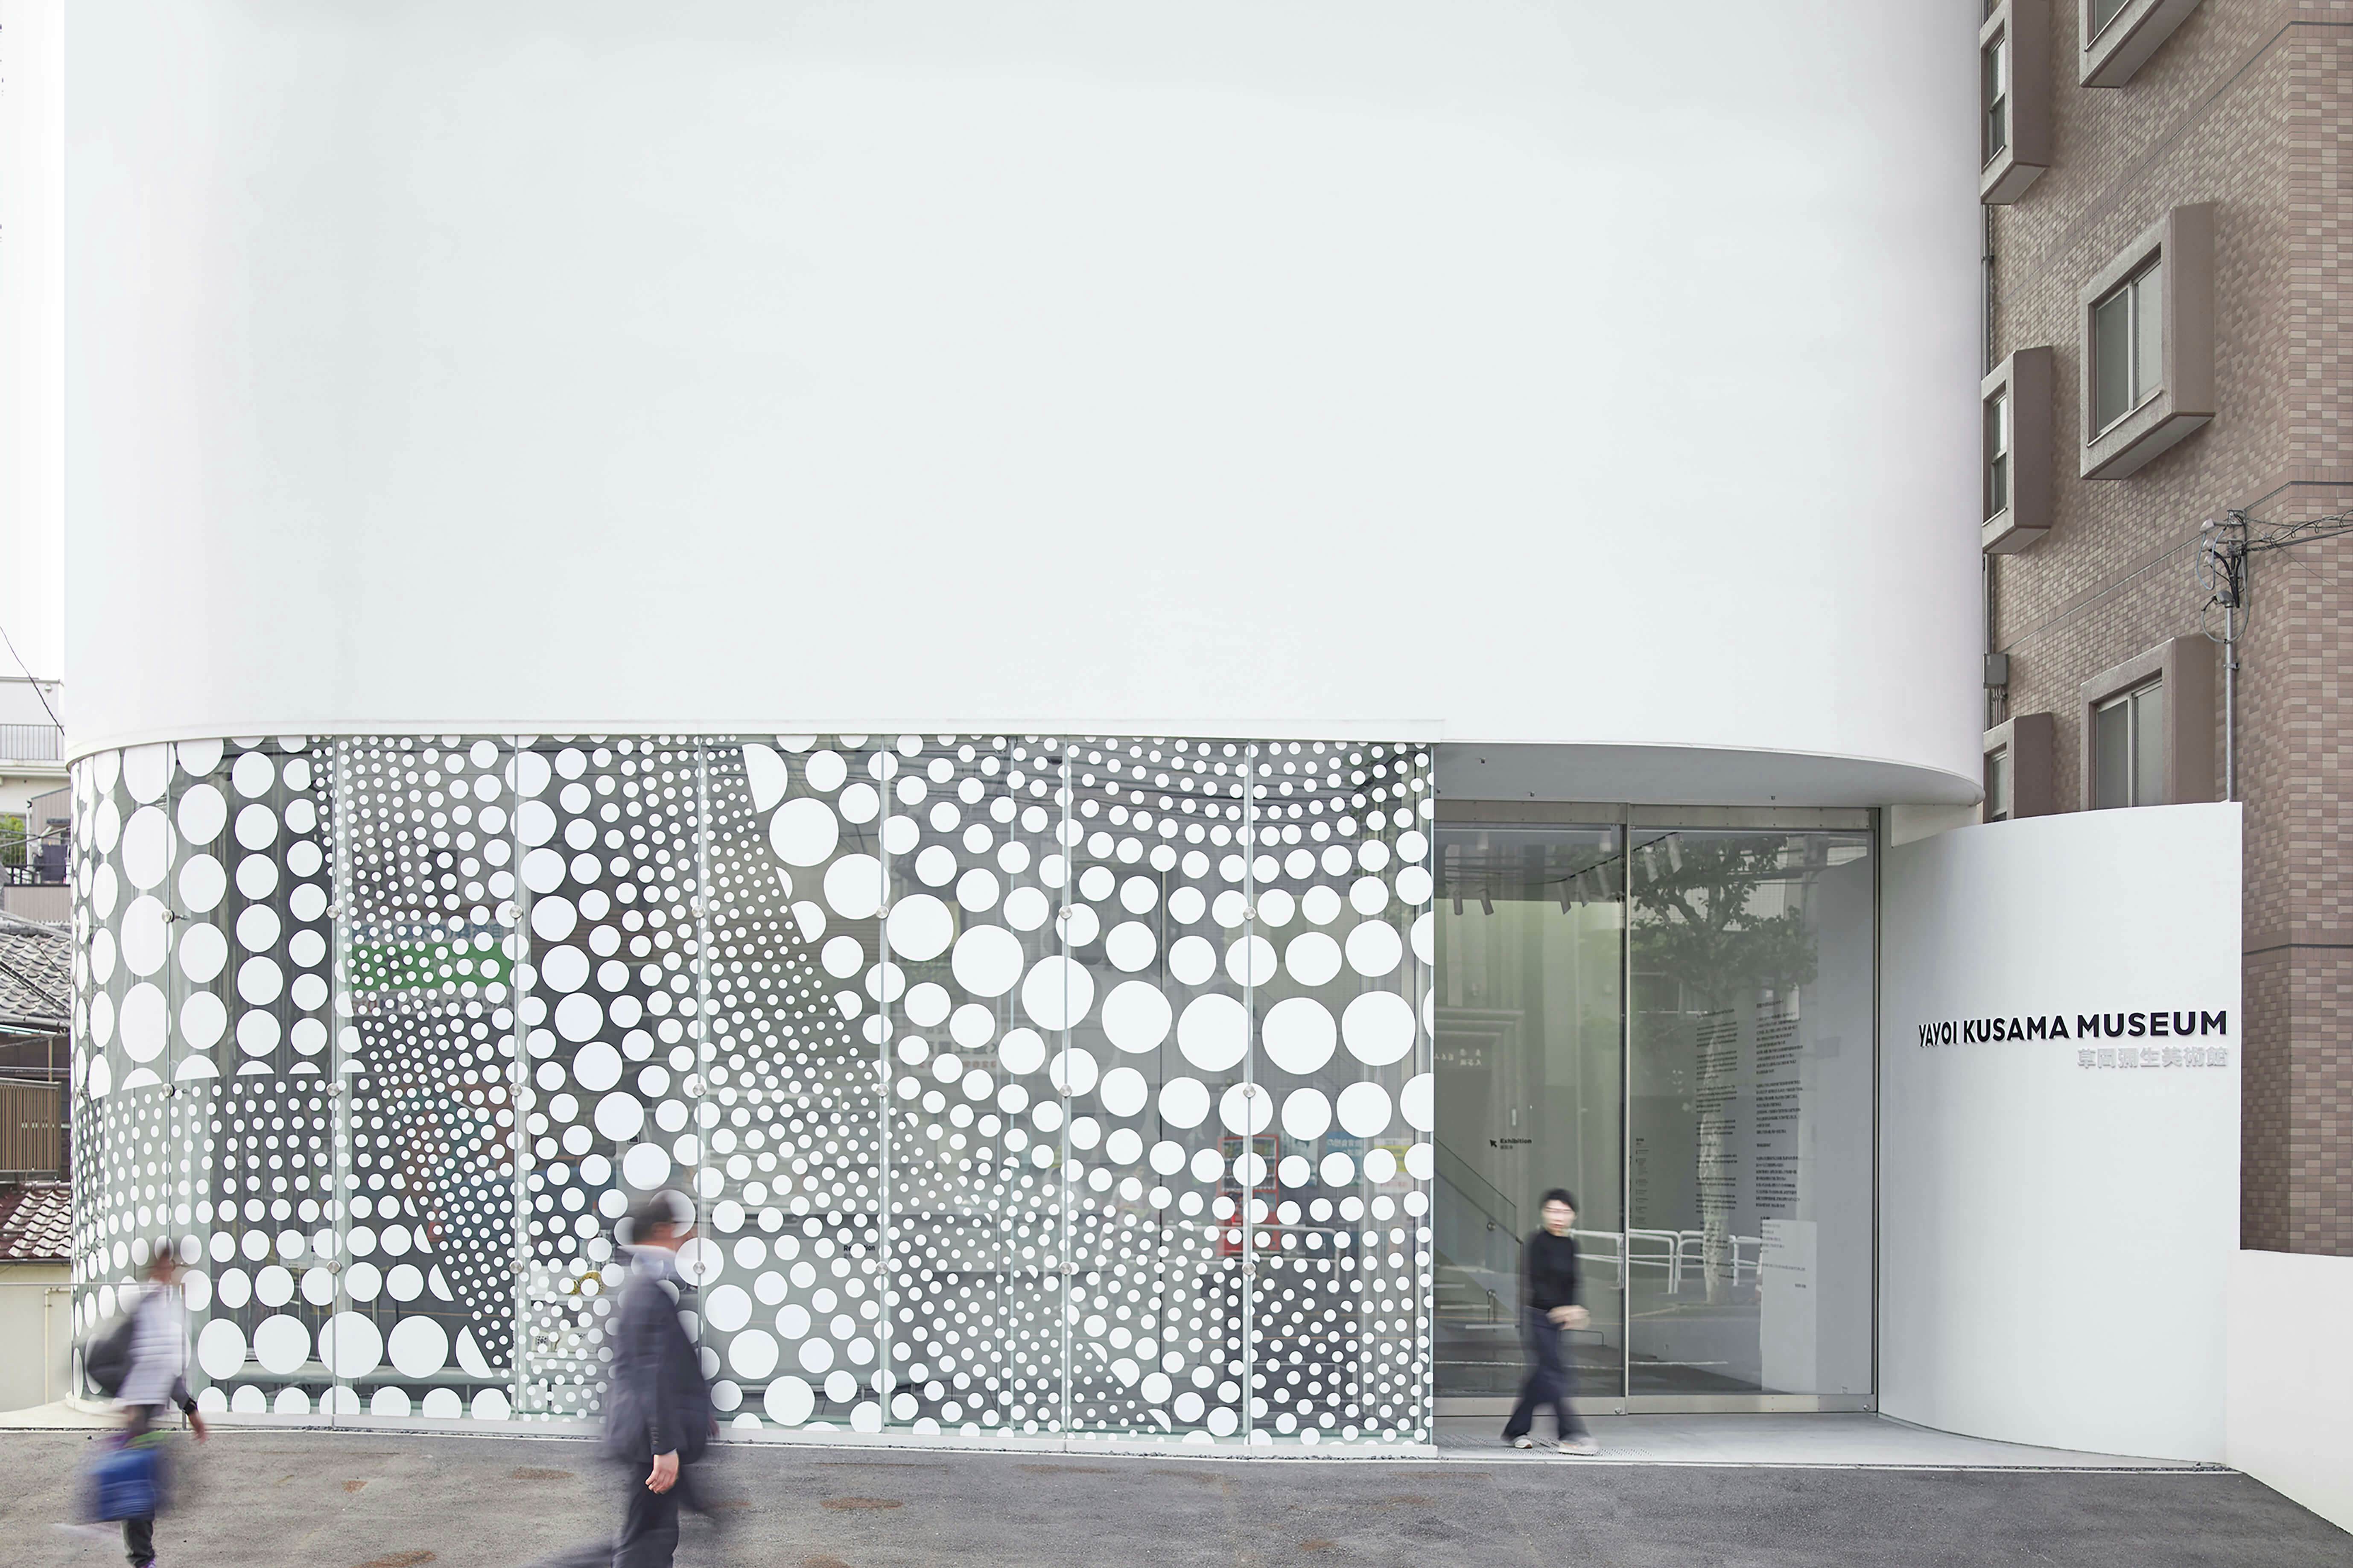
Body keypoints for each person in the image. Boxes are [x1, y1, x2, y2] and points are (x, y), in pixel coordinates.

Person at [527, 1189, 717, 1568]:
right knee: (644, 1542)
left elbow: (661, 1368)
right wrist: (664, 1447)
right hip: (652, 1439)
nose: (690, 1238)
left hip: (652, 1434)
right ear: (665, 1231)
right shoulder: (649, 1289)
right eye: (685, 1230)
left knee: (651, 1536)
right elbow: (650, 1373)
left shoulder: (647, 1284)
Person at [117, 1238, 208, 1566]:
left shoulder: (165, 1304)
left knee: (147, 1483)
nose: (175, 1271)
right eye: (172, 1265)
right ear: (160, 1267)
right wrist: (129, 1407)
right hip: (138, 1410)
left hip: (148, 1408)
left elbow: (164, 1367)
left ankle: (143, 1556)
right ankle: (142, 1559)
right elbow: (139, 1358)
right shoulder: (148, 1306)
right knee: (140, 1487)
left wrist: (189, 1407)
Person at [1502, 1189, 1600, 1456]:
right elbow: (1535, 1282)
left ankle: (1515, 1430)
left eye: (1564, 1212)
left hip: (1559, 1321)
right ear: (1544, 1213)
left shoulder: (1570, 1245)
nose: (1558, 1217)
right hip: (1537, 1317)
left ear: (1574, 1216)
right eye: (1553, 1211)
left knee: (1542, 1377)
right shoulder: (1536, 1243)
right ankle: (1570, 1436)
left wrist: (1575, 1309)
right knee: (1555, 1376)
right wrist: (1561, 1309)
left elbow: (1572, 1282)